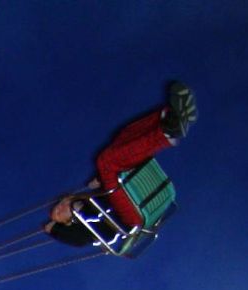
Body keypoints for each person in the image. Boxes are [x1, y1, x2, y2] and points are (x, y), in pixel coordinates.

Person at [45, 83, 196, 248]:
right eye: (60, 213)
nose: (60, 207)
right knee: (106, 162)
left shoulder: (92, 198)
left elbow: (109, 191)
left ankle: (168, 117)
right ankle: (167, 133)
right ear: (68, 222)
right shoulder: (86, 227)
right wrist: (53, 229)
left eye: (60, 204)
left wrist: (99, 181)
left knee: (121, 139)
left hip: (126, 197)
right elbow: (77, 240)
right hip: (129, 217)